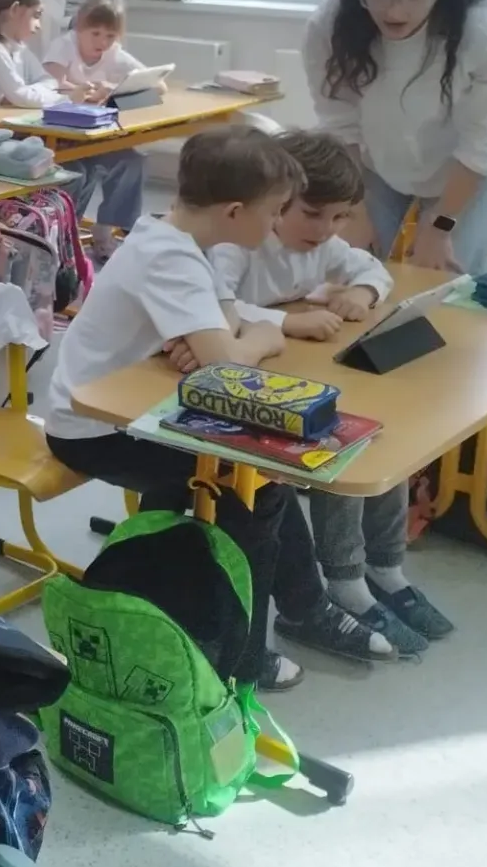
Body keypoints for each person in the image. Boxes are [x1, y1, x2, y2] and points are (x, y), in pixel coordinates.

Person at [43, 125, 311, 691]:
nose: (277, 222)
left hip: (139, 411)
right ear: (235, 212)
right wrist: (259, 339)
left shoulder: (175, 236)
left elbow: (223, 323)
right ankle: (245, 658)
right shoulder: (172, 258)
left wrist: (222, 340)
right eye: (274, 210)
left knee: (252, 475)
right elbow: (226, 370)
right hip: (95, 429)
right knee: (256, 485)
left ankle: (271, 606)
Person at [211, 129, 451, 659]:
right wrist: (288, 322)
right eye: (313, 213)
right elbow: (215, 302)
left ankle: (384, 565)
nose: (326, 230)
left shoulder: (324, 245)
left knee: (384, 430)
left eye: (341, 216)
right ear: (276, 202)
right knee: (342, 441)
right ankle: (345, 580)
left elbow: (371, 269)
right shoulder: (240, 246)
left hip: (293, 377)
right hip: (242, 391)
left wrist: (361, 292)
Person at [306, 0, 487, 274]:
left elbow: (483, 143)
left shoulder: (485, 31)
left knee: (448, 278)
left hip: (468, 169)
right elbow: (338, 122)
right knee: (359, 265)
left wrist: (441, 224)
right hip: (377, 164)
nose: (396, 12)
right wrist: (353, 210)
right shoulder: (330, 26)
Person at [42, 0, 151, 257]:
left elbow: (153, 83)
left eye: (110, 36)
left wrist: (112, 88)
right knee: (78, 170)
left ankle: (105, 228)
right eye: (95, 33)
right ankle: (64, 235)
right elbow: (50, 84)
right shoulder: (64, 46)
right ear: (80, 27)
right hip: (60, 137)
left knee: (131, 160)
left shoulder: (113, 53)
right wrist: (81, 91)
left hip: (95, 136)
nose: (102, 42)